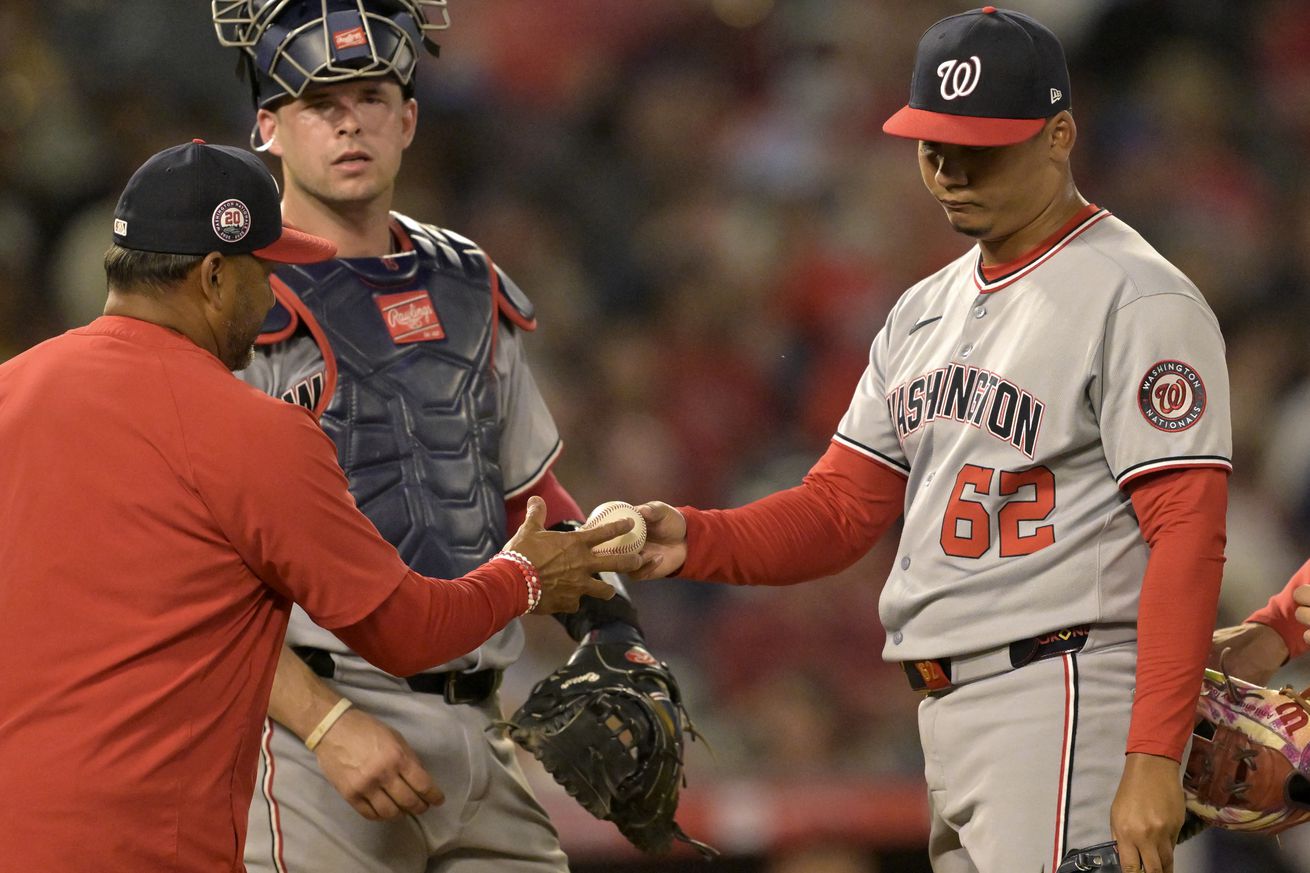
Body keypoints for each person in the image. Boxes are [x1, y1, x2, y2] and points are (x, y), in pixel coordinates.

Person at [634, 8, 1231, 873]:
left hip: (1067, 696)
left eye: (979, 146)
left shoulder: (1136, 297)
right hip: (951, 714)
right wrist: (692, 536)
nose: (951, 169)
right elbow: (841, 510)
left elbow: (1187, 533)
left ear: (1059, 134)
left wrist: (1149, 757)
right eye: (932, 145)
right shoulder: (922, 310)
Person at [0, 139, 636, 872]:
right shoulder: (253, 431)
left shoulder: (12, 391)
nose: (274, 296)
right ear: (212, 276)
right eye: (264, 272)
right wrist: (523, 576)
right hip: (144, 844)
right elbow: (408, 629)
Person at [208, 2, 674, 870]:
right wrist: (326, 722)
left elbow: (529, 498)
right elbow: (196, 570)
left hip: (483, 723)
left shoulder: (467, 279)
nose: (351, 121)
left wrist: (614, 634)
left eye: (374, 96)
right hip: (316, 735)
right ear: (267, 125)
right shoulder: (235, 297)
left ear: (410, 117)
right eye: (319, 101)